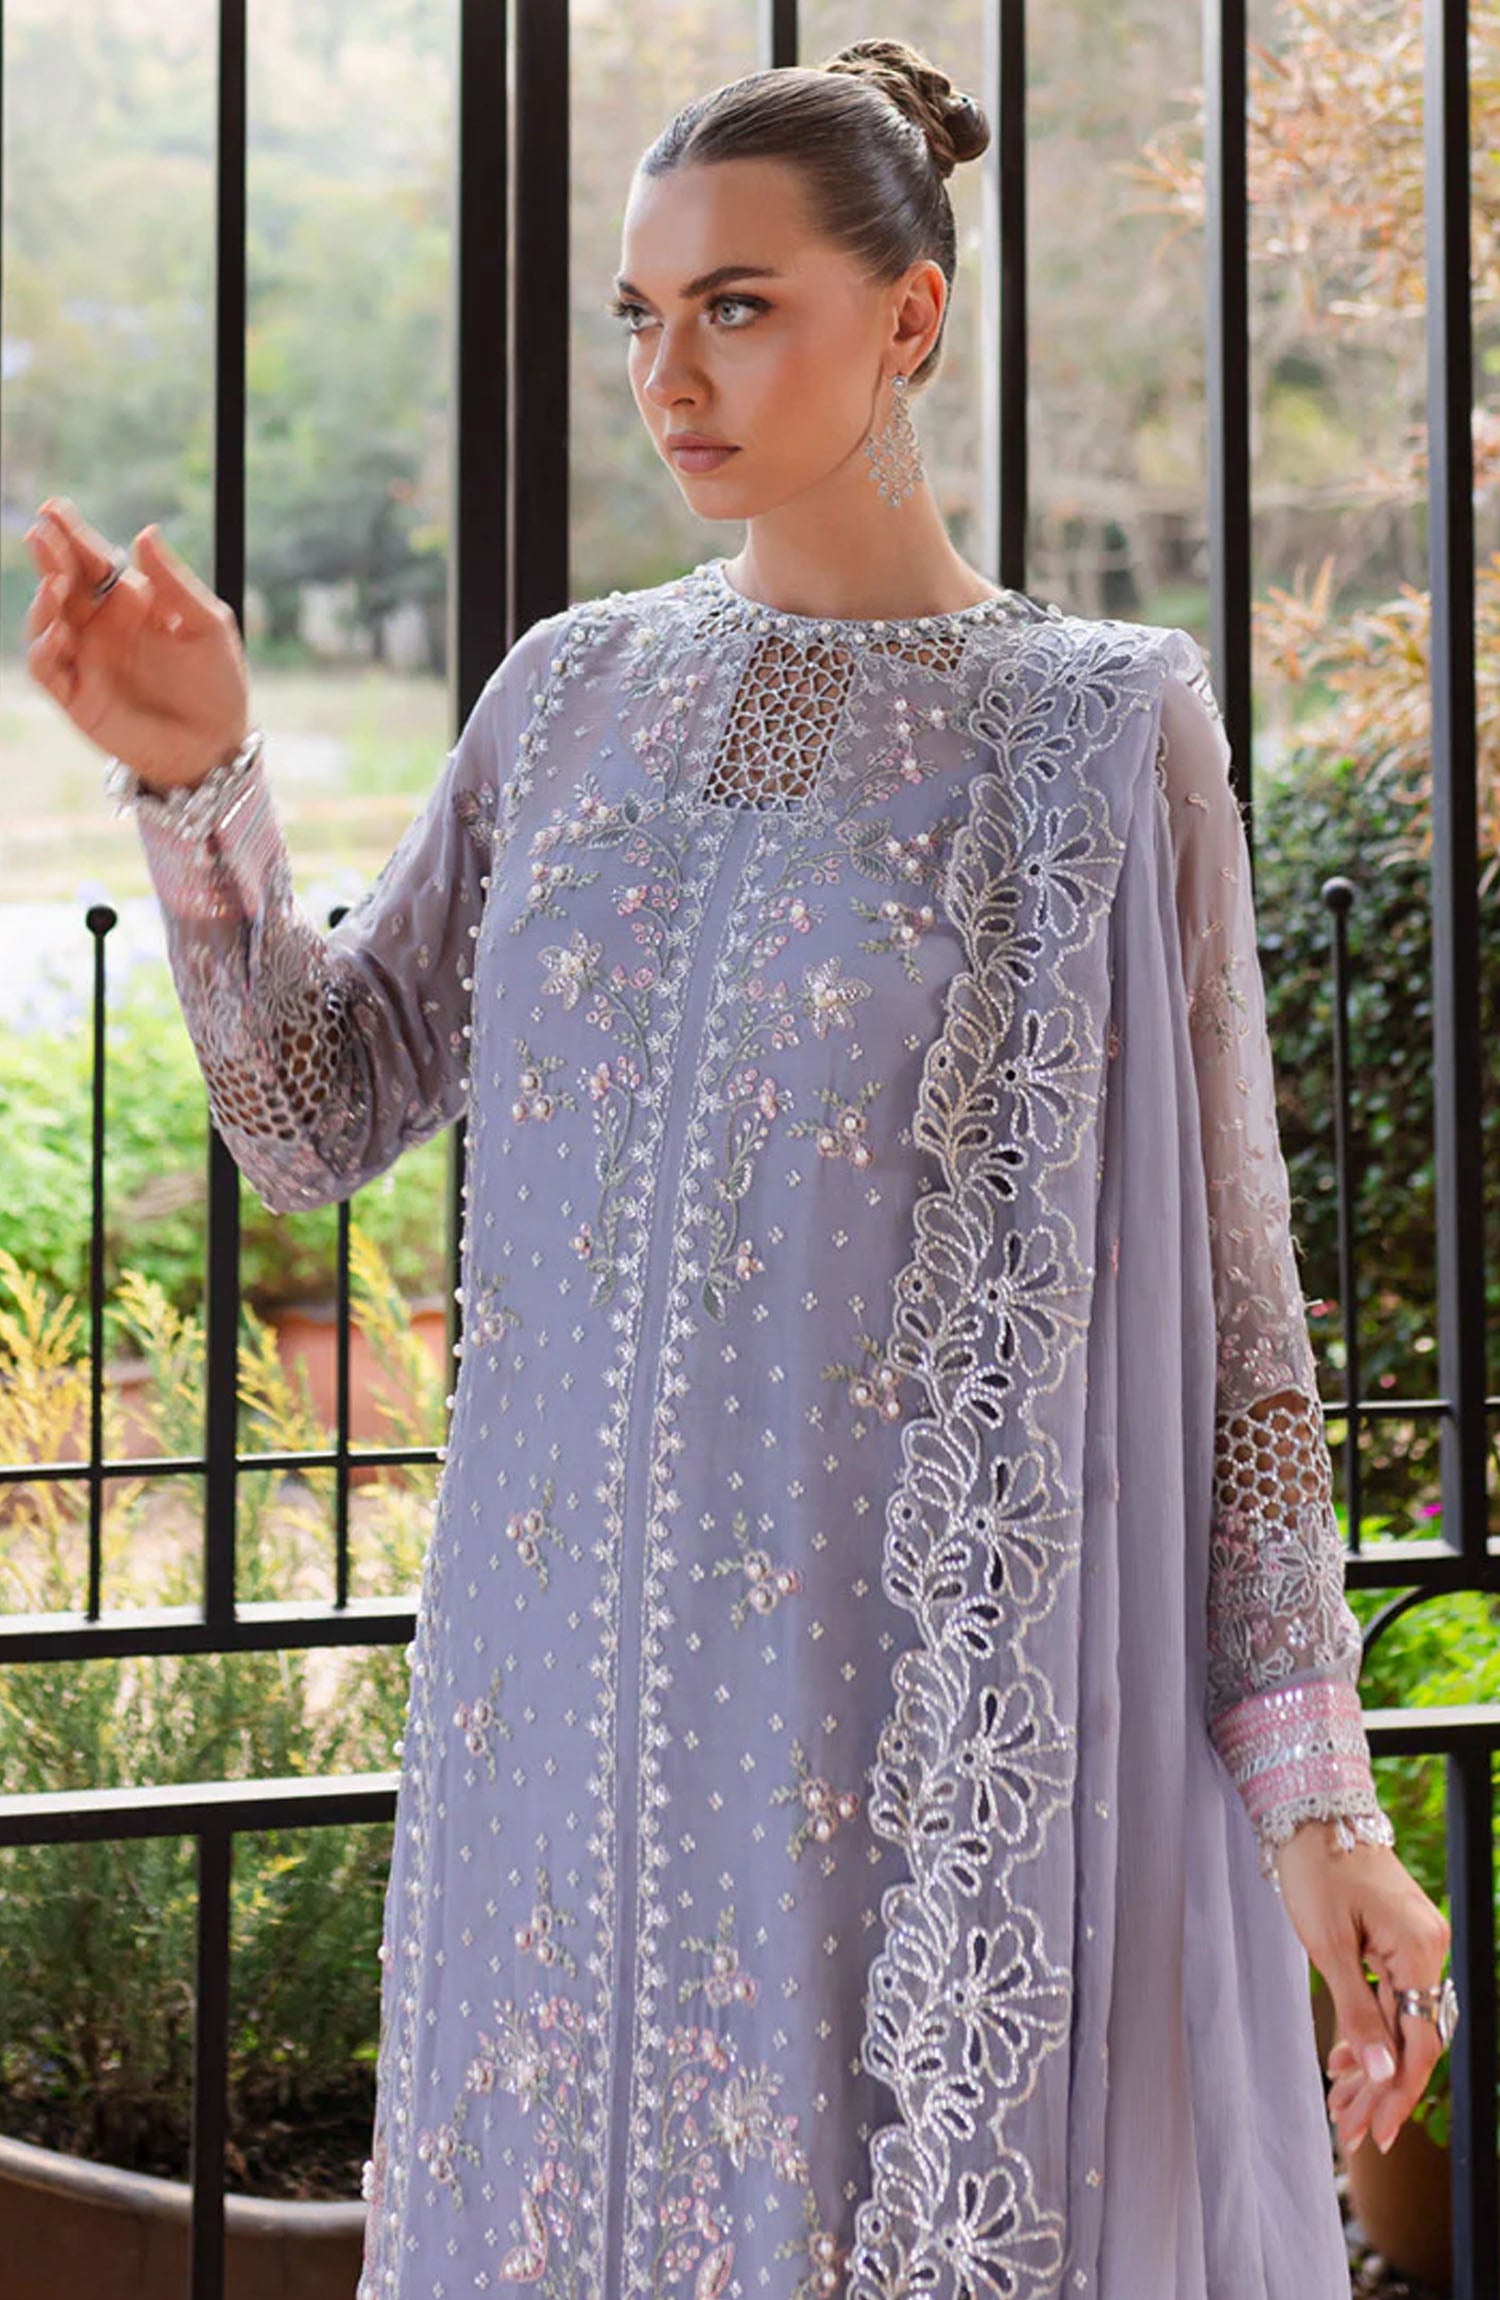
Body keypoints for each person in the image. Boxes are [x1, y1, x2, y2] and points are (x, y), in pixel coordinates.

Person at [24, 36, 1456, 2300]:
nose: (667, 375)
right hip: (552, 1733)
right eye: (640, 315)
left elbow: (1238, 1310)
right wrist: (202, 790)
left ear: (911, 316)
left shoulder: (1096, 731)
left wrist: (1317, 1799)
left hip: (895, 1731)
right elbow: (318, 1113)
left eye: (738, 306)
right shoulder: (569, 696)